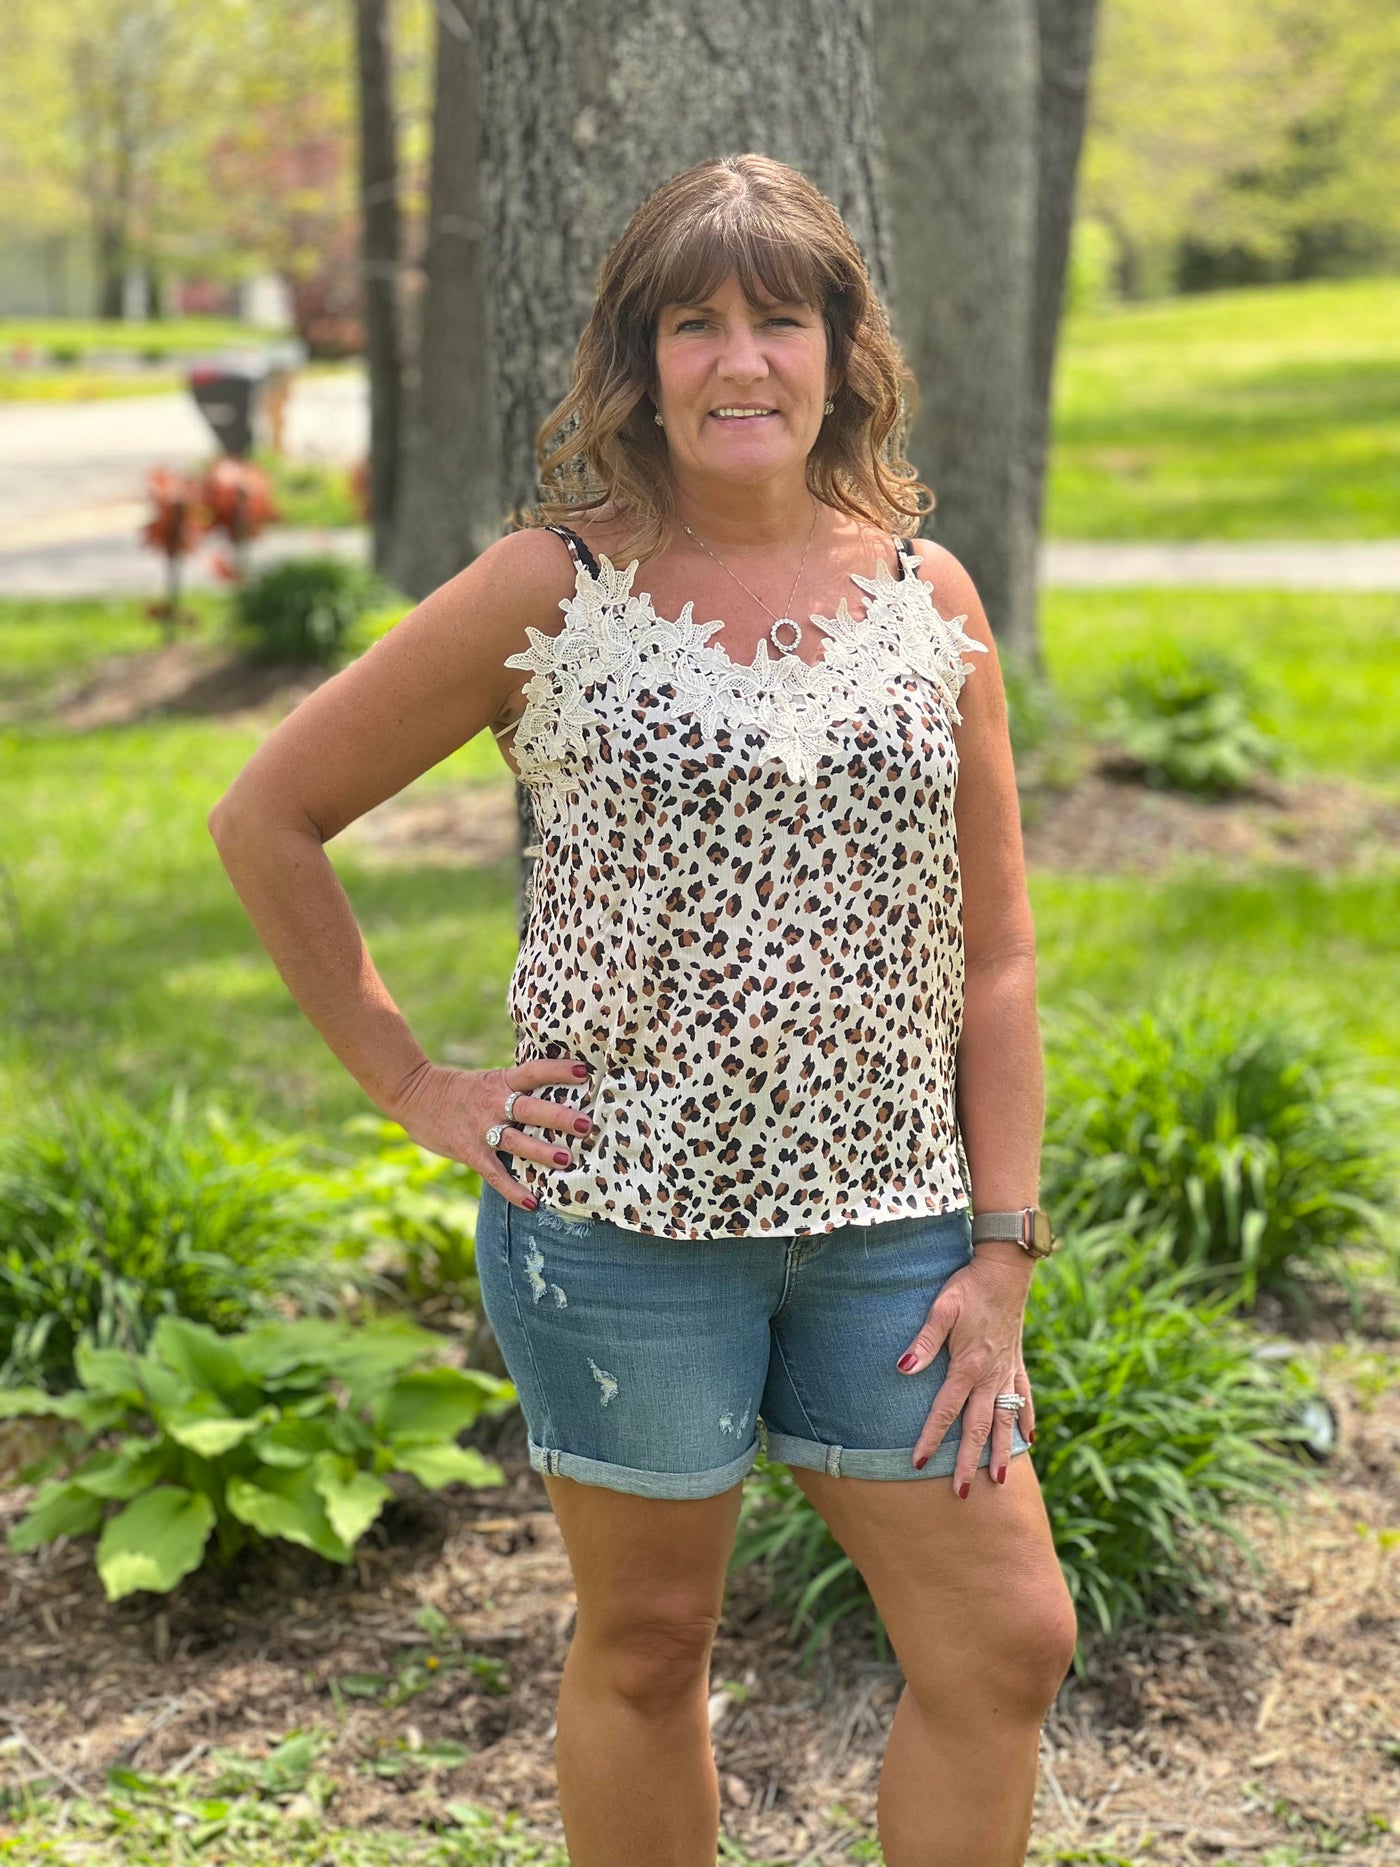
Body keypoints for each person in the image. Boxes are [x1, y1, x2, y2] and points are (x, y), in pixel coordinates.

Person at [209, 152, 1077, 1867]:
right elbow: (268, 816)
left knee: (1005, 1639)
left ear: (841, 350)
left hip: (896, 1236)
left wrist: (1002, 1247)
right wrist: (411, 1081)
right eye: (694, 322)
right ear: (639, 360)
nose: (739, 360)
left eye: (779, 318)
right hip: (619, 1233)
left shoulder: (931, 598)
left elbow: (997, 954)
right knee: (651, 1645)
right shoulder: (556, 591)